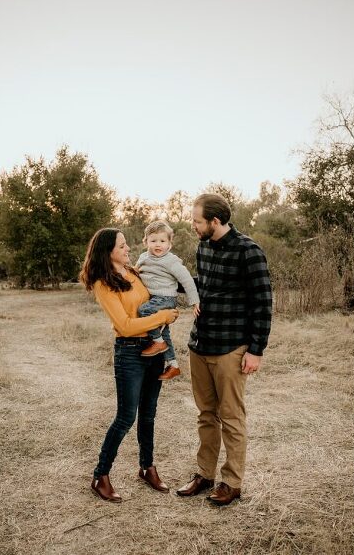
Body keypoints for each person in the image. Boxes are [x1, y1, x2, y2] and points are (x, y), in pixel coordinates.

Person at [175, 193, 272, 507]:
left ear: (214, 221)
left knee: (231, 417)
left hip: (231, 347)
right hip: (200, 344)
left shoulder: (249, 251)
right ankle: (204, 475)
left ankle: (232, 482)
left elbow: (263, 303)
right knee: (206, 415)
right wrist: (161, 278)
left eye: (197, 221)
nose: (193, 225)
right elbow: (203, 284)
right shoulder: (202, 247)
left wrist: (255, 350)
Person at [79, 228, 179, 502]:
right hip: (130, 353)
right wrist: (162, 316)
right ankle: (101, 475)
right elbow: (124, 325)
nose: (127, 249)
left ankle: (147, 468)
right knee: (126, 417)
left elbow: (161, 290)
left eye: (126, 245)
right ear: (108, 251)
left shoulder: (134, 273)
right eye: (122, 246)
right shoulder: (103, 282)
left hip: (154, 349)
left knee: (149, 414)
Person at [135, 219, 200, 381]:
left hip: (166, 299)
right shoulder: (143, 257)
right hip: (154, 299)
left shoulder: (171, 261)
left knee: (143, 311)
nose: (158, 245)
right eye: (153, 240)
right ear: (146, 242)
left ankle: (157, 342)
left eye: (163, 241)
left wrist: (195, 301)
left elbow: (187, 280)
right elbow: (135, 272)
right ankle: (173, 365)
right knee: (165, 333)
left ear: (169, 244)